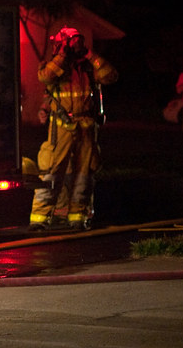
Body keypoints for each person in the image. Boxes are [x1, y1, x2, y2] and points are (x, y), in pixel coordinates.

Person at [29, 27, 118, 231]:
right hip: (61, 128)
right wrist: (62, 54)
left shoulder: (88, 66)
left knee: (84, 173)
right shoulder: (57, 64)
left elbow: (111, 76)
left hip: (86, 127)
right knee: (53, 169)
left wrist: (89, 53)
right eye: (68, 42)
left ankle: (78, 215)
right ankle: (40, 217)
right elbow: (45, 77)